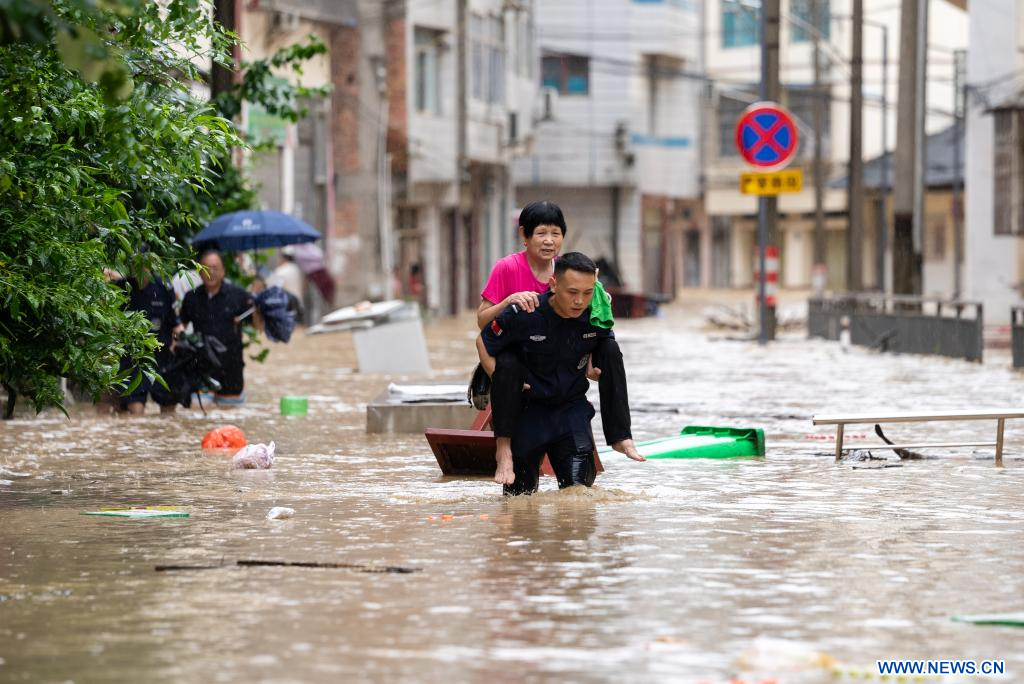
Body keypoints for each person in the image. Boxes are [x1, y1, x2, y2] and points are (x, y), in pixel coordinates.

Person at [476, 201, 636, 478]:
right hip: (514, 353)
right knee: (510, 365)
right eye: (541, 233)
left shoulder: (571, 271)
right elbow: (482, 325)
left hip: (561, 355)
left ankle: (621, 435)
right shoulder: (508, 268)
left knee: (610, 347)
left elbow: (596, 322)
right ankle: (504, 449)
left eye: (555, 233)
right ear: (524, 235)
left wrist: (589, 357)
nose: (549, 241)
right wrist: (509, 301)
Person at [179, 249, 255, 405]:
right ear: (199, 271)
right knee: (196, 414)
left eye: (215, 268)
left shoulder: (239, 296)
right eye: (206, 268)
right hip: (201, 368)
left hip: (231, 368)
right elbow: (180, 327)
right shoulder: (191, 297)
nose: (211, 273)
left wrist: (259, 303)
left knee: (229, 416)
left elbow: (257, 323)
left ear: (224, 270)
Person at [103, 270, 183, 415]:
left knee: (168, 408)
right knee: (135, 410)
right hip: (132, 359)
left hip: (162, 358)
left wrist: (181, 342)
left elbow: (175, 322)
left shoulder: (164, 287)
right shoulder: (121, 287)